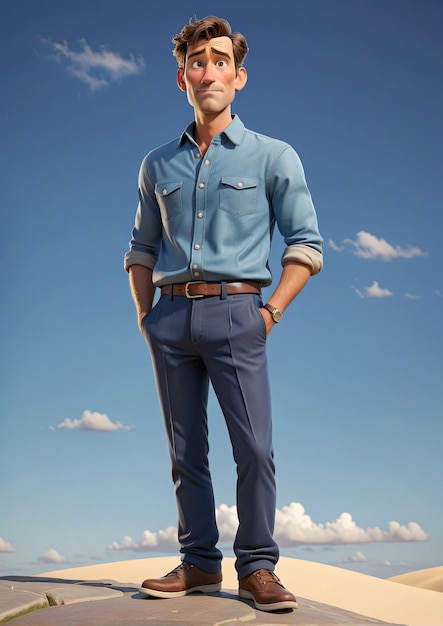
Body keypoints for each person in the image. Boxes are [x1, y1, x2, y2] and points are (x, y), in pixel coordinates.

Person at [124, 15, 323, 612]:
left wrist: (271, 312)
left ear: (239, 77)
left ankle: (258, 567)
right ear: (180, 78)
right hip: (170, 319)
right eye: (195, 61)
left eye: (218, 60)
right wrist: (145, 318)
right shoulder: (157, 164)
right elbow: (140, 248)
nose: (206, 70)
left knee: (254, 449)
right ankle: (200, 562)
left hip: (240, 314)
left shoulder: (273, 156)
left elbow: (306, 245)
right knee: (185, 452)